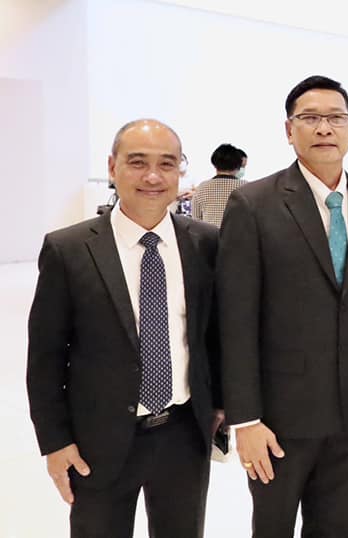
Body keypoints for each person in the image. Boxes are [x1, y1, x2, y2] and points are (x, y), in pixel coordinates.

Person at [26, 119, 221, 537]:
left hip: (184, 434)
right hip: (98, 439)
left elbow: (214, 336)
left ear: (181, 171)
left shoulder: (206, 243)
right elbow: (45, 357)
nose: (153, 177)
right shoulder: (69, 249)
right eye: (137, 162)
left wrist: (221, 404)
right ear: (112, 167)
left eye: (166, 164)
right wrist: (55, 442)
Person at [217, 75, 348, 537]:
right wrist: (246, 419)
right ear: (288, 130)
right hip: (278, 420)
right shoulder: (253, 204)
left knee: (337, 528)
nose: (324, 128)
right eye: (310, 118)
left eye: (336, 118)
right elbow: (235, 319)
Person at [192, 143, 247, 227]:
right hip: (238, 234)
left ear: (214, 164)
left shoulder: (202, 187)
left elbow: (196, 220)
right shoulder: (246, 187)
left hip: (209, 234)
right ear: (238, 166)